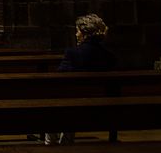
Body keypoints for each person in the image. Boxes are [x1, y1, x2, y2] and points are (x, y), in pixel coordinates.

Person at [46, 14, 116, 145]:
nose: (76, 35)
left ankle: (52, 143)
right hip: (104, 107)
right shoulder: (109, 56)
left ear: (85, 33)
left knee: (54, 103)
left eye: (77, 31)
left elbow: (59, 77)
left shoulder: (73, 54)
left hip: (74, 105)